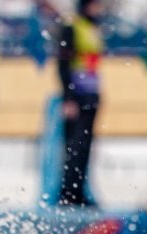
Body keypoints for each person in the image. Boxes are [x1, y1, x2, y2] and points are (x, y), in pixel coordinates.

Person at [56, 0, 105, 207]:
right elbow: (64, 63)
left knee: (85, 146)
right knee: (74, 146)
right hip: (77, 95)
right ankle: (68, 193)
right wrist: (68, 97)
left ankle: (79, 191)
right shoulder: (72, 27)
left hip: (91, 94)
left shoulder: (92, 28)